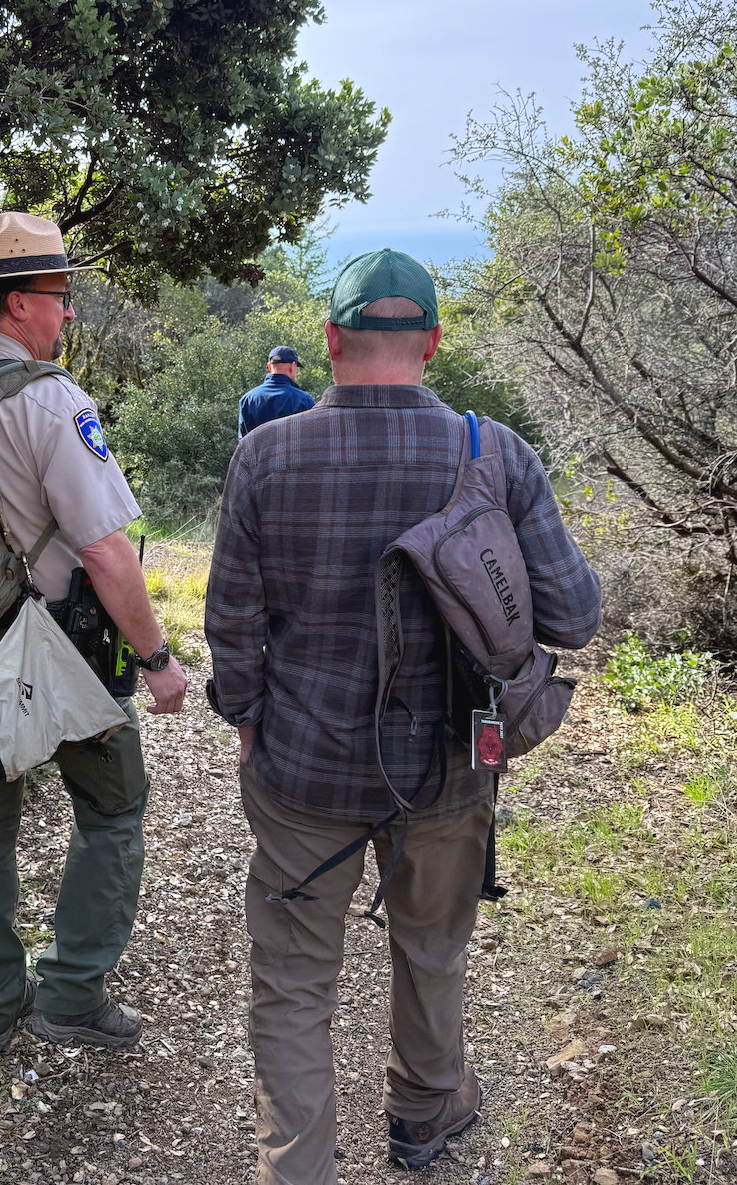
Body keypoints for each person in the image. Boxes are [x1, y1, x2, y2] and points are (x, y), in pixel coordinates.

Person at [205, 248, 601, 1183]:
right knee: (431, 945)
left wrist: (248, 716)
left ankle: (297, 1167)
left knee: (295, 981)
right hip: (451, 768)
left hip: (303, 769)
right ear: (431, 341)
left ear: (332, 340)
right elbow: (575, 616)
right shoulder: (493, 452)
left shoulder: (265, 453)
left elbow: (232, 618)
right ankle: (424, 1115)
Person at [0, 212, 188, 1055]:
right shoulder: (50, 401)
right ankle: (73, 993)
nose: (67, 314)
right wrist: (158, 662)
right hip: (59, 649)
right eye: (59, 297)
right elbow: (107, 553)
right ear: (18, 304)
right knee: (114, 804)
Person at [238, 345, 316, 438]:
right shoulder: (303, 400)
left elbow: (242, 441)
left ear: (269, 367)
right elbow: (312, 439)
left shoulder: (247, 400)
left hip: (258, 453)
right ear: (293, 366)